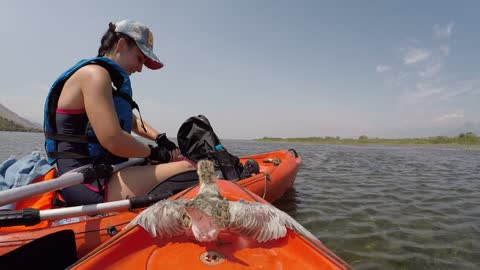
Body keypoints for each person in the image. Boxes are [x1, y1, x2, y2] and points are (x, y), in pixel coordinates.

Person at [43, 20, 195, 206]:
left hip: (103, 171)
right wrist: (154, 153)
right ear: (121, 44)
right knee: (187, 169)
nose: (140, 69)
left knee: (174, 163)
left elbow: (131, 121)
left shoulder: (106, 79)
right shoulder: (94, 75)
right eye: (139, 58)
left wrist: (160, 139)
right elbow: (113, 139)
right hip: (85, 182)